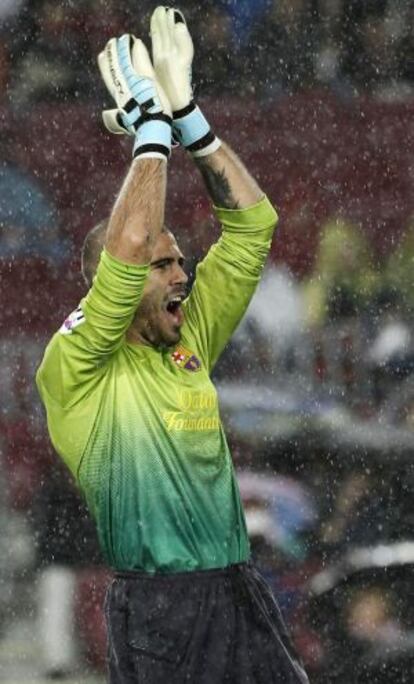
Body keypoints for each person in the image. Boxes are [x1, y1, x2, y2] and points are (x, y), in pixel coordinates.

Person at [36, 7, 309, 683]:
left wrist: (188, 118)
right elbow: (127, 251)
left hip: (238, 590)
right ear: (115, 281)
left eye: (180, 261)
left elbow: (253, 225)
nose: (181, 273)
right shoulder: (77, 362)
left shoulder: (189, 337)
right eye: (164, 265)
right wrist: (149, 135)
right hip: (161, 608)